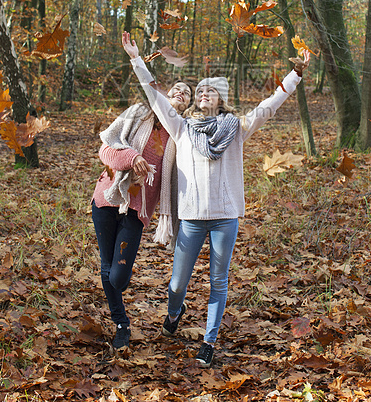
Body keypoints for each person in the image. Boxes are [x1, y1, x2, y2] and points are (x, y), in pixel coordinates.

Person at [122, 30, 310, 367]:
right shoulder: (181, 127)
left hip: (225, 216)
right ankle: (174, 312)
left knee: (219, 280)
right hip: (192, 218)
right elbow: (154, 97)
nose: (205, 93)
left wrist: (294, 76)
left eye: (211, 90)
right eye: (201, 91)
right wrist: (136, 59)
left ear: (220, 100)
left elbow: (268, 107)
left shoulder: (236, 127)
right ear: (196, 101)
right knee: (178, 283)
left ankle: (209, 341)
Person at [92, 75, 192, 352]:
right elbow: (106, 148)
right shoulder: (138, 113)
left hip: (137, 209)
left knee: (118, 278)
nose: (181, 93)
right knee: (107, 265)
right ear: (165, 94)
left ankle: (116, 299)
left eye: (187, 93)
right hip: (107, 197)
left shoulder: (181, 134)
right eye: (176, 89)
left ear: (188, 106)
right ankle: (121, 323)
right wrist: (132, 157)